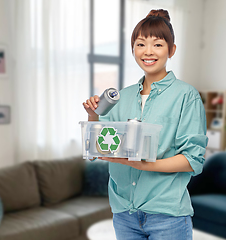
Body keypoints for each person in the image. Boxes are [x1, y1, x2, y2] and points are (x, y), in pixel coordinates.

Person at [82, 9, 208, 240]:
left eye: (158, 45)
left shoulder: (186, 96)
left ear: (171, 50)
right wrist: (93, 115)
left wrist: (142, 165)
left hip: (167, 215)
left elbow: (193, 160)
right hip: (123, 213)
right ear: (133, 50)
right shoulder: (121, 97)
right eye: (140, 44)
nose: (148, 52)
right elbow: (98, 147)